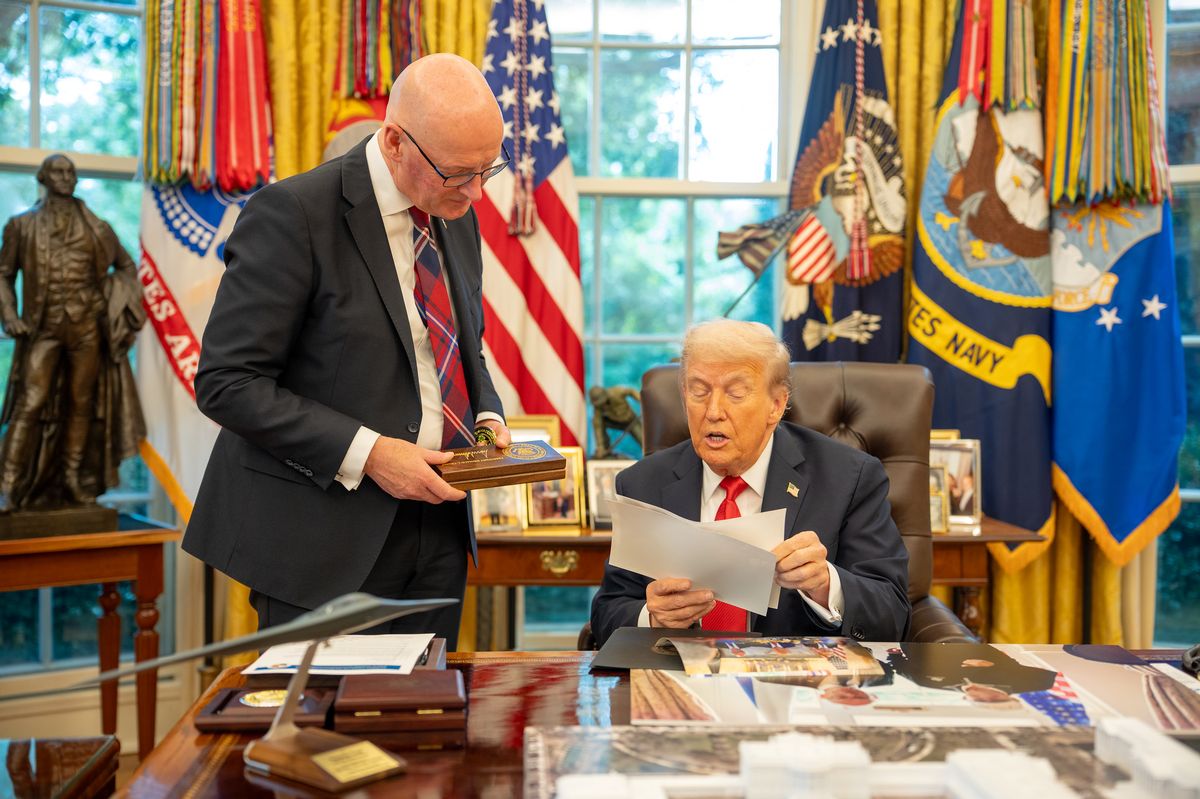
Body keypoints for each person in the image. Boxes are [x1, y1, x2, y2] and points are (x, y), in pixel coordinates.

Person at [183, 54, 511, 648]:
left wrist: (486, 414)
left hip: (437, 530)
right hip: (320, 538)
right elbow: (229, 382)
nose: (478, 193)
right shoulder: (292, 214)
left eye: (489, 169)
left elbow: (459, 343)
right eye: (461, 173)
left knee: (421, 726)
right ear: (394, 143)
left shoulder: (454, 211)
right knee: (313, 736)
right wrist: (372, 453)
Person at [590, 320, 910, 647]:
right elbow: (607, 614)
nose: (713, 411)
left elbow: (892, 616)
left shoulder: (849, 478)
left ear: (775, 405)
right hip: (680, 682)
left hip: (795, 689)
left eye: (736, 393)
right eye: (699, 391)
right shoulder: (642, 483)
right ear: (684, 396)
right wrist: (652, 617)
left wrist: (826, 584)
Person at [0, 154, 146, 512]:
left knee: (82, 405)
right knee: (29, 404)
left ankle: (72, 478)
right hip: (43, 329)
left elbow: (127, 267)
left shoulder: (98, 227)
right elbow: (3, 275)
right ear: (43, 178)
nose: (66, 177)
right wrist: (9, 315)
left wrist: (112, 301)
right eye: (58, 172)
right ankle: (8, 485)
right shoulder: (21, 225)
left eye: (71, 172)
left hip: (87, 329)